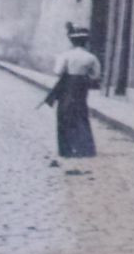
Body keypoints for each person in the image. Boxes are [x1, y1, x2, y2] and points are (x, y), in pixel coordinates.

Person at [42, 26, 101, 158]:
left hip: (67, 86)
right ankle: (85, 149)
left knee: (64, 114)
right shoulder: (91, 57)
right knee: (81, 114)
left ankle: (66, 149)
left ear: (72, 42)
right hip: (81, 87)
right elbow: (96, 75)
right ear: (85, 41)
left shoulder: (65, 55)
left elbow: (58, 71)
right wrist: (84, 76)